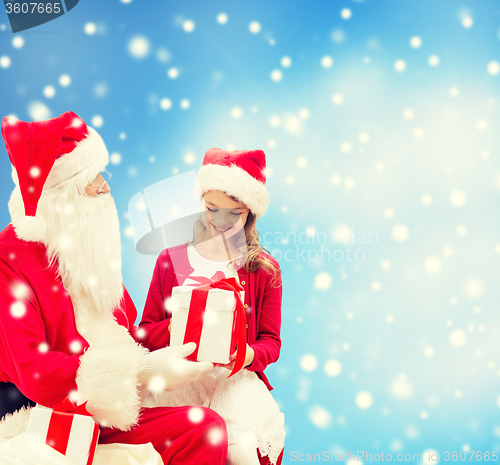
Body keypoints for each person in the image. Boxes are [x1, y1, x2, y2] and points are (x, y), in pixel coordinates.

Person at [0, 112, 228, 464]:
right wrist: (142, 372)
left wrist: (187, 326)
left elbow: (122, 335)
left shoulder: (82, 246)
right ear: (61, 197)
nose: (106, 186)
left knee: (208, 419)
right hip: (50, 415)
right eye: (93, 179)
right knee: (203, 428)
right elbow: (34, 371)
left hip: (110, 407)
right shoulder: (9, 261)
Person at [139, 148, 285, 465]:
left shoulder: (263, 269)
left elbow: (271, 343)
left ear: (250, 213)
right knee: (178, 443)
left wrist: (248, 355)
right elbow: (145, 334)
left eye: (235, 213)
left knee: (238, 447)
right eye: (212, 209)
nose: (221, 221)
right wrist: (184, 323)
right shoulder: (171, 260)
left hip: (234, 379)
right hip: (181, 377)